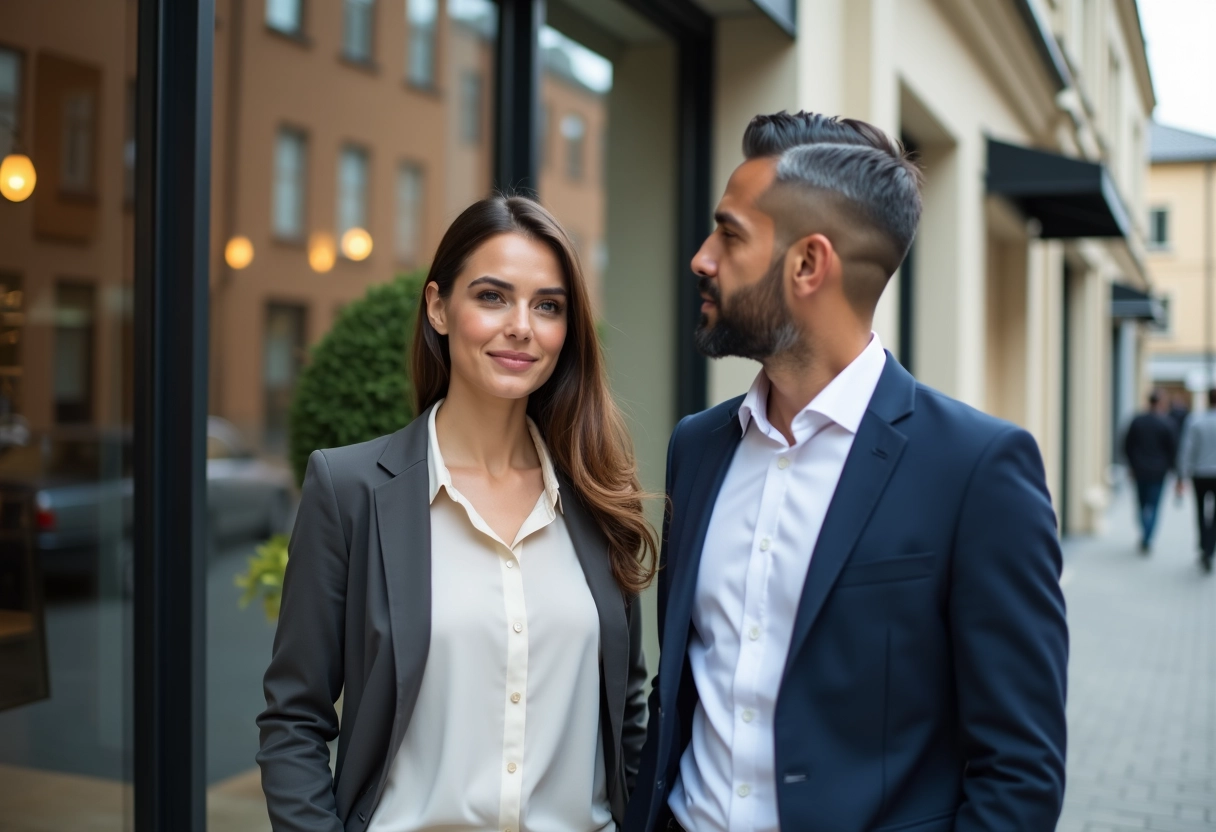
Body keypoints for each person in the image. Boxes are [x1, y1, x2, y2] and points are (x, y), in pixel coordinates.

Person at [625, 112, 1068, 832]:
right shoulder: (697, 448)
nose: (702, 258)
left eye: (729, 234)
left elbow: (1020, 773)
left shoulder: (977, 470)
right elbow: (681, 693)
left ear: (809, 264)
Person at [258, 195, 656, 831]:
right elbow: (294, 718)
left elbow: (625, 712)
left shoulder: (598, 494)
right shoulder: (350, 491)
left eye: (547, 306)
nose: (521, 326)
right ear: (438, 307)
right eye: (492, 297)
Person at [1122, 390, 1179, 552]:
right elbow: (1173, 450)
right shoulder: (1167, 423)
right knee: (1154, 505)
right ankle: (1148, 536)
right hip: (1158, 472)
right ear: (1160, 403)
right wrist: (1173, 469)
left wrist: (1131, 465)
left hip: (1139, 469)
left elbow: (1127, 445)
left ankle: (1145, 533)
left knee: (1141, 504)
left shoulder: (1137, 421)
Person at [1177, 389, 1216, 573]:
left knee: (1200, 511)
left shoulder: (1195, 420)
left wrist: (1181, 474)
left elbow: (1187, 449)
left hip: (1200, 473)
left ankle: (1203, 546)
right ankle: (1210, 549)